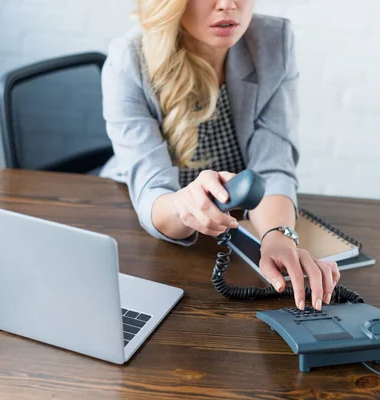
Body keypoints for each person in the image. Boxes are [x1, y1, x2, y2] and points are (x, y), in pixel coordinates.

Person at [99, 0, 340, 311]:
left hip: (236, 218)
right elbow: (151, 192)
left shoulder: (272, 39)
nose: (228, 5)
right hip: (153, 220)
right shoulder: (129, 59)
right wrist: (183, 204)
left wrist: (277, 236)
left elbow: (273, 164)